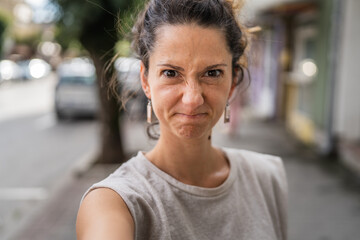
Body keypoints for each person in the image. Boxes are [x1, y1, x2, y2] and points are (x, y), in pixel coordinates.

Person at [76, 0, 288, 239]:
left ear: (232, 82)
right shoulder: (115, 201)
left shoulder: (267, 176)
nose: (192, 99)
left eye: (212, 73)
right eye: (171, 73)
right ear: (146, 81)